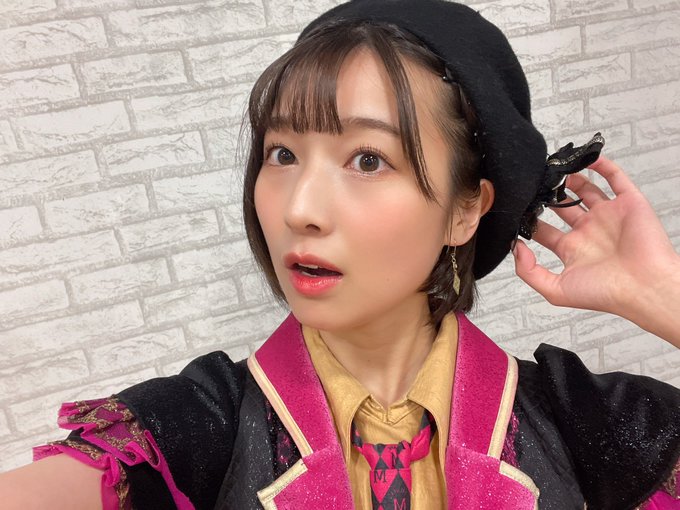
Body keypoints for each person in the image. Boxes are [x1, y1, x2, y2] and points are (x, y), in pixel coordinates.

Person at [2, 0, 680, 509]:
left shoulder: (588, 427)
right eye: (282, 153)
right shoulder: (202, 427)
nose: (299, 208)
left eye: (367, 159)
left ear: (464, 209)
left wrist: (660, 296)